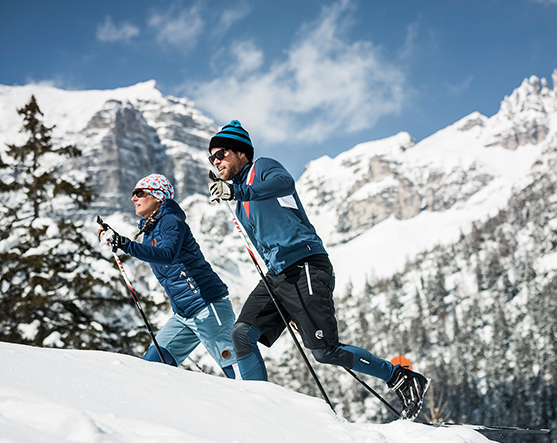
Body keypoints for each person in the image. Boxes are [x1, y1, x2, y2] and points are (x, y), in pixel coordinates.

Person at [207, 120, 429, 419]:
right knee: (242, 333)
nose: (216, 161)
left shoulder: (263, 168)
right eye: (212, 158)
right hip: (278, 275)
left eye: (221, 153)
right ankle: (258, 409)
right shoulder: (240, 197)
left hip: (305, 266)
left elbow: (284, 184)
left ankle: (400, 378)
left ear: (241, 152)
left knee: (325, 352)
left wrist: (238, 193)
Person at [99, 173, 238, 379]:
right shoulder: (150, 232)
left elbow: (167, 255)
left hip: (207, 306)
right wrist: (117, 241)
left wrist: (125, 244)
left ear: (158, 196)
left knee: (236, 372)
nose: (133, 198)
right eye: (133, 194)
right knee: (150, 368)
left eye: (139, 193)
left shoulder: (171, 221)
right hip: (183, 315)